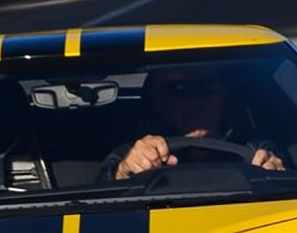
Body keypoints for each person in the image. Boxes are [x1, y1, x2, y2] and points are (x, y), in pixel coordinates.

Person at [106, 64, 285, 180]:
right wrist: (123, 171)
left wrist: (276, 174)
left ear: (225, 95)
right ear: (154, 99)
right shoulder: (131, 153)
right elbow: (96, 201)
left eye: (207, 87)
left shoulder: (256, 149)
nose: (195, 100)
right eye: (178, 89)